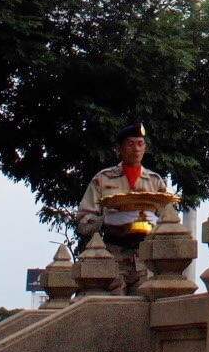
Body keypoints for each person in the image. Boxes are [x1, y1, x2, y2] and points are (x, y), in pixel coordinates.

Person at [74, 122, 181, 293]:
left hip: (145, 257)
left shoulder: (154, 181)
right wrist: (107, 220)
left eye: (140, 144)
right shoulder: (103, 179)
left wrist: (156, 221)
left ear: (145, 148)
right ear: (119, 148)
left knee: (146, 303)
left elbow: (171, 222)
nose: (136, 149)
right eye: (130, 144)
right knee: (116, 303)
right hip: (113, 255)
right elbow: (83, 222)